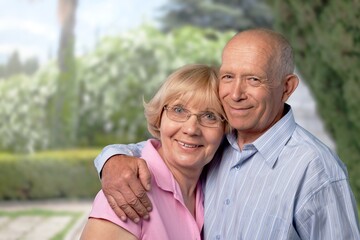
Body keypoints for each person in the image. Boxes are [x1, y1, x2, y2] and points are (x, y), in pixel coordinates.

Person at [94, 28, 360, 239]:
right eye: (228, 77)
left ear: (287, 87)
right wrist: (112, 159)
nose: (235, 94)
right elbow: (165, 148)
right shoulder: (218, 147)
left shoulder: (316, 170)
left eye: (254, 79)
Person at [81, 64, 229, 239]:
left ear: (225, 128)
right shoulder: (128, 191)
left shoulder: (212, 188)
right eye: (179, 110)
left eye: (210, 116)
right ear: (159, 117)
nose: (191, 129)